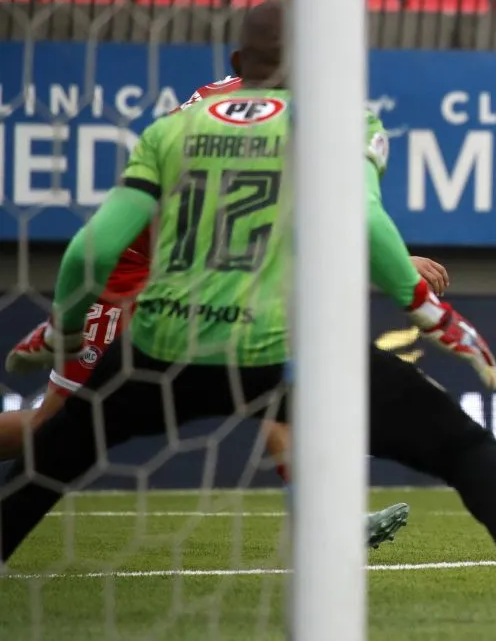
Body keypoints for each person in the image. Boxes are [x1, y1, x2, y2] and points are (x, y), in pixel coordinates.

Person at [0, 0, 496, 623]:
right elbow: (364, 217)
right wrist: (431, 317)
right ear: (322, 61)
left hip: (167, 343)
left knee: (48, 461)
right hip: (280, 351)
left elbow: (93, 248)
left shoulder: (173, 127)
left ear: (234, 59)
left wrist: (61, 328)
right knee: (465, 449)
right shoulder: (339, 120)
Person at [0, 80, 440, 554]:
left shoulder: (260, 101)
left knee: (276, 381)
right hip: (134, 274)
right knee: (53, 426)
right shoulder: (243, 111)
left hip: (196, 270)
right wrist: (386, 259)